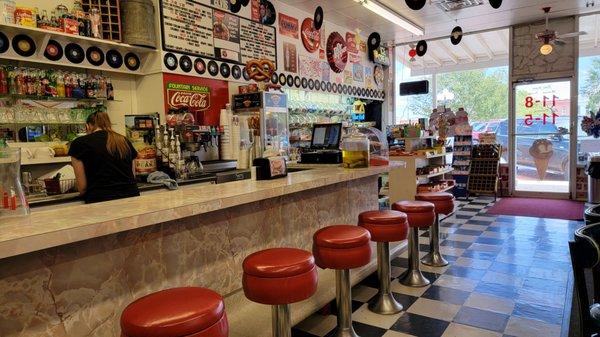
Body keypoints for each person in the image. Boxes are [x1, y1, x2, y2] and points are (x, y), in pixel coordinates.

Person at [68, 111, 140, 204]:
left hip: (101, 200)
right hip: (131, 197)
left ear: (87, 126)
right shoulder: (123, 140)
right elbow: (132, 175)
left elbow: (82, 188)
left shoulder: (79, 143)